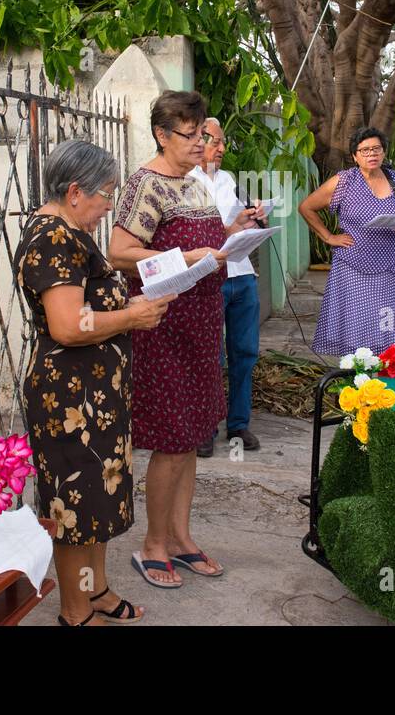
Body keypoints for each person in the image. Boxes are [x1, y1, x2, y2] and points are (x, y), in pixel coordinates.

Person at [17, 138, 172, 626]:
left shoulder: (70, 232)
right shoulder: (52, 237)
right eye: (105, 194)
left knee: (99, 501)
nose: (109, 205)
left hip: (94, 395)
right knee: (74, 509)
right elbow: (67, 325)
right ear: (76, 191)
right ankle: (75, 613)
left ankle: (97, 591)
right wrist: (131, 316)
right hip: (69, 400)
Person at [109, 92, 261, 588]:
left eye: (204, 136)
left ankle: (181, 537)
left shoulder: (194, 184)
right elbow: (119, 253)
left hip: (201, 324)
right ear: (162, 134)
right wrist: (187, 257)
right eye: (191, 135)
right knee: (171, 441)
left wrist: (234, 231)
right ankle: (152, 545)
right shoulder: (144, 185)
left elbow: (205, 245)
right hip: (163, 325)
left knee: (193, 437)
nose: (201, 144)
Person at [188, 117, 268, 457]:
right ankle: (205, 426)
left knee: (245, 353)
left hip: (242, 273)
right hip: (209, 277)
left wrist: (254, 217)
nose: (221, 149)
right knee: (209, 354)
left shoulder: (228, 179)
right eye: (215, 142)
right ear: (196, 139)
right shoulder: (182, 182)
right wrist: (230, 227)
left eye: (223, 143)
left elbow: (236, 225)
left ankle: (239, 422)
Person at [300, 127, 395, 357]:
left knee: (388, 329)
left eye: (376, 149)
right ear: (355, 156)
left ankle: (384, 389)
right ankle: (356, 386)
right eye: (364, 150)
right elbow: (306, 207)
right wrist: (329, 237)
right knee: (356, 331)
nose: (371, 154)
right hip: (352, 268)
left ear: (383, 152)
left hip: (389, 270)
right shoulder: (343, 182)